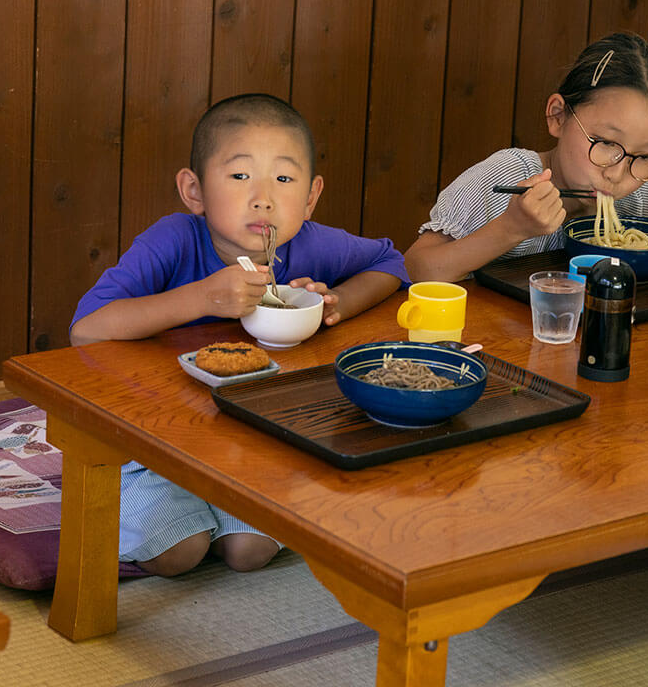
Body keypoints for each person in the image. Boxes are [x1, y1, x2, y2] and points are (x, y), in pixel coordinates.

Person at [70, 93, 407, 576]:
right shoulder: (173, 240)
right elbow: (87, 329)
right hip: (152, 441)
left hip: (248, 442)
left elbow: (390, 262)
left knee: (251, 551)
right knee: (178, 553)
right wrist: (203, 299)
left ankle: (213, 505)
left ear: (310, 196)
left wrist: (335, 305)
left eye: (284, 179)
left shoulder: (311, 245)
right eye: (239, 175)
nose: (263, 197)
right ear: (194, 190)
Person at [404, 31, 648, 282]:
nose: (618, 173)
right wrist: (511, 228)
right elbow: (415, 268)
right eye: (605, 142)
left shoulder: (641, 188)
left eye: (647, 156)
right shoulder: (504, 179)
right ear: (558, 116)